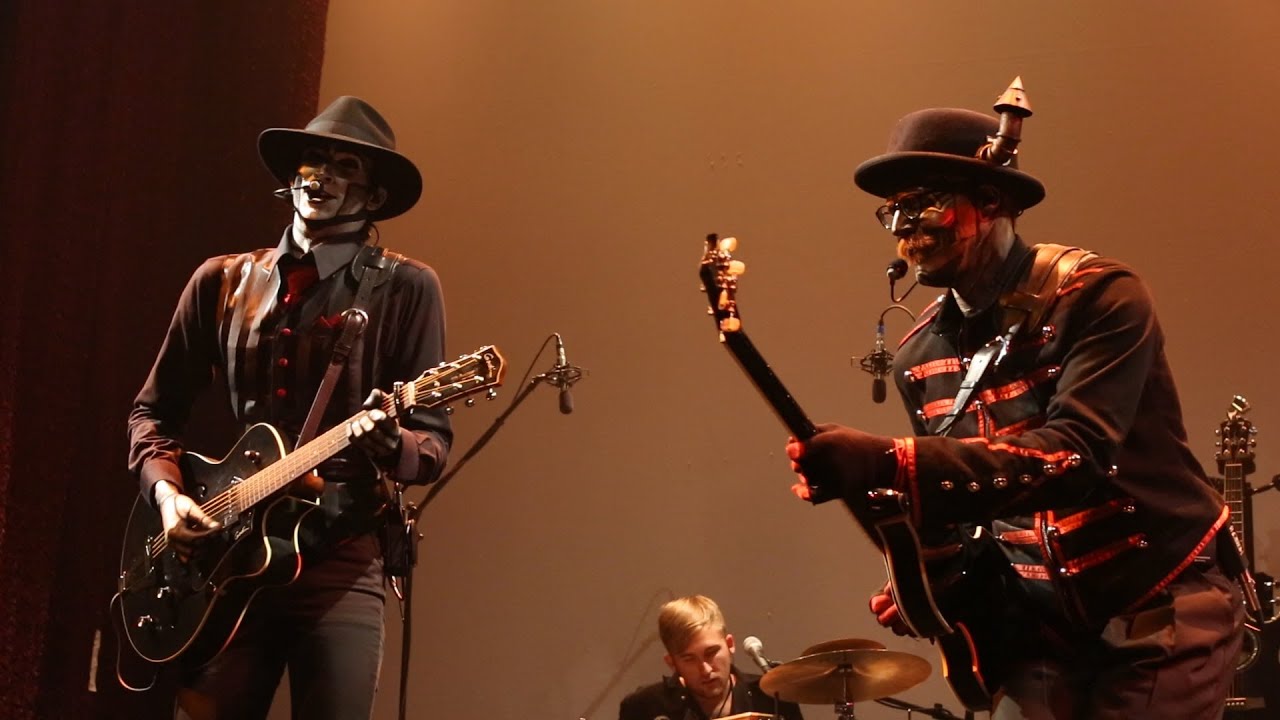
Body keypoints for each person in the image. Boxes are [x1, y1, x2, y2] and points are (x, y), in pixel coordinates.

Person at [785, 100, 1245, 718]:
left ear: (991, 200)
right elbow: (971, 517)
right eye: (892, 211)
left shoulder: (1100, 296)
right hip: (1044, 632)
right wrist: (924, 582)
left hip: (1161, 603)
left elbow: (1076, 457)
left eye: (923, 203)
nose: (905, 228)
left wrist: (893, 462)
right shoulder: (917, 358)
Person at [127, 96, 451, 720]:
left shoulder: (408, 287)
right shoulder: (221, 280)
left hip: (338, 555)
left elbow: (433, 442)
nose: (322, 175)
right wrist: (169, 497)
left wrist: (394, 446)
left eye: (346, 167)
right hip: (224, 556)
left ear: (375, 198)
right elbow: (152, 414)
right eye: (313, 159)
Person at [619, 595, 803, 720]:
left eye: (711, 653)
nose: (705, 669)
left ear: (730, 644)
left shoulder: (772, 698)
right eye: (689, 659)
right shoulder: (643, 707)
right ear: (672, 663)